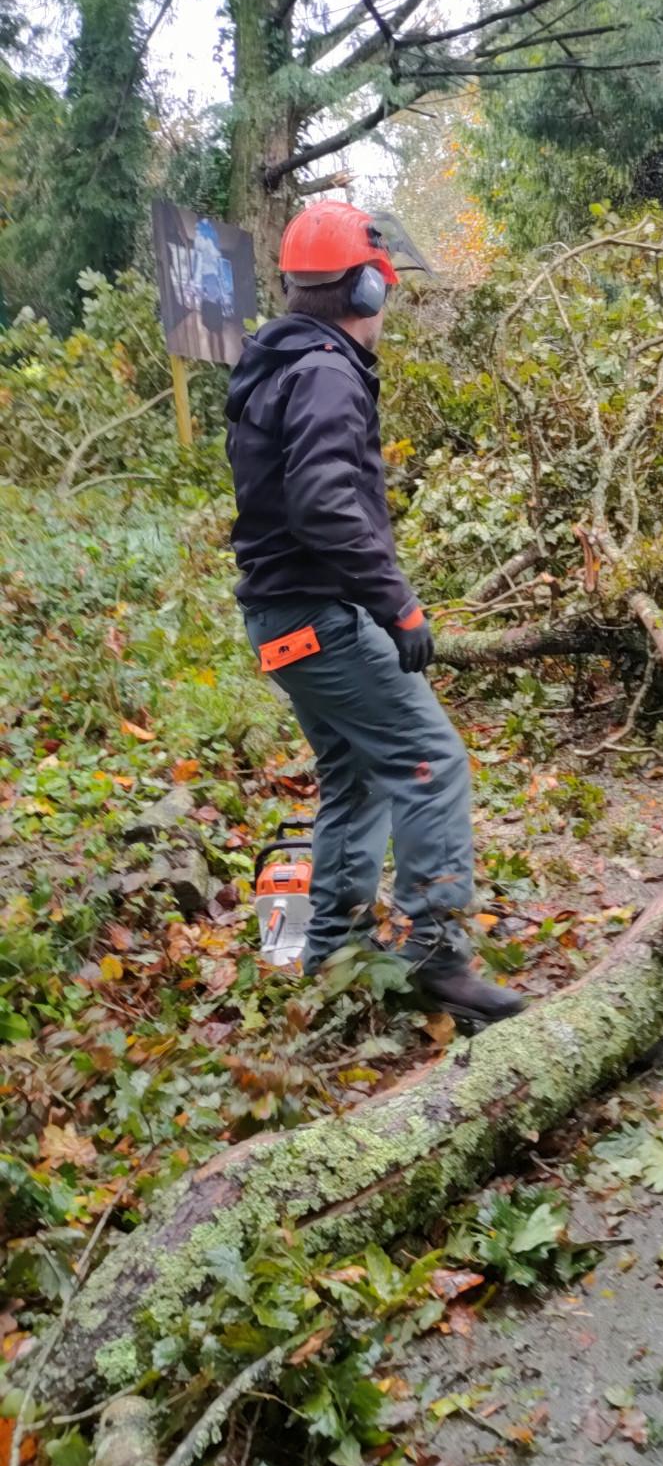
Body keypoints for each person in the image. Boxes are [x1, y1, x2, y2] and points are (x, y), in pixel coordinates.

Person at [225, 199, 526, 1028]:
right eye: (383, 286)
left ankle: (329, 947)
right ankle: (441, 959)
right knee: (431, 761)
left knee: (353, 775)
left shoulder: (282, 362)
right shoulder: (324, 370)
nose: (384, 304)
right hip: (317, 618)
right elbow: (324, 503)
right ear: (363, 289)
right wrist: (399, 605)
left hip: (283, 619)